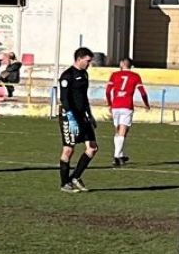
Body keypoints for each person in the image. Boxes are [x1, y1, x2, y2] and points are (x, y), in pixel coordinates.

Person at [58, 47, 98, 193]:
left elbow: (84, 97)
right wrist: (70, 116)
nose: (89, 64)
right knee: (68, 150)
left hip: (83, 116)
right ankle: (64, 184)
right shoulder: (67, 76)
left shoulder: (85, 74)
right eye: (87, 61)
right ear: (79, 59)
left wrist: (90, 114)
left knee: (92, 148)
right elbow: (64, 98)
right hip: (69, 117)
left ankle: (75, 177)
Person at [105, 58, 150, 167]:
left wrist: (110, 104)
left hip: (116, 105)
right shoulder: (135, 76)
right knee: (123, 131)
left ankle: (120, 155)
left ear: (121, 64)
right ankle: (117, 156)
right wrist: (146, 104)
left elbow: (107, 91)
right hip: (126, 105)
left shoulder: (114, 75)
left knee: (118, 131)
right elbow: (143, 92)